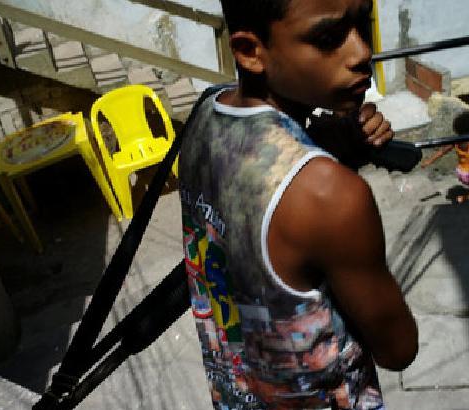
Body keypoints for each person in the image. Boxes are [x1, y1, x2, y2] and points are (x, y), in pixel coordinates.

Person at [178, 0, 418, 409]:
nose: (361, 53)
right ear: (251, 51)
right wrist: (328, 172)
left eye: (363, 24)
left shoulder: (207, 113)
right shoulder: (328, 194)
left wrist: (323, 146)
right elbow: (398, 349)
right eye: (328, 38)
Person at [421, 111, 469, 203]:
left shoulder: (456, 141)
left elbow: (442, 151)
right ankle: (463, 199)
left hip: (461, 173)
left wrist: (428, 161)